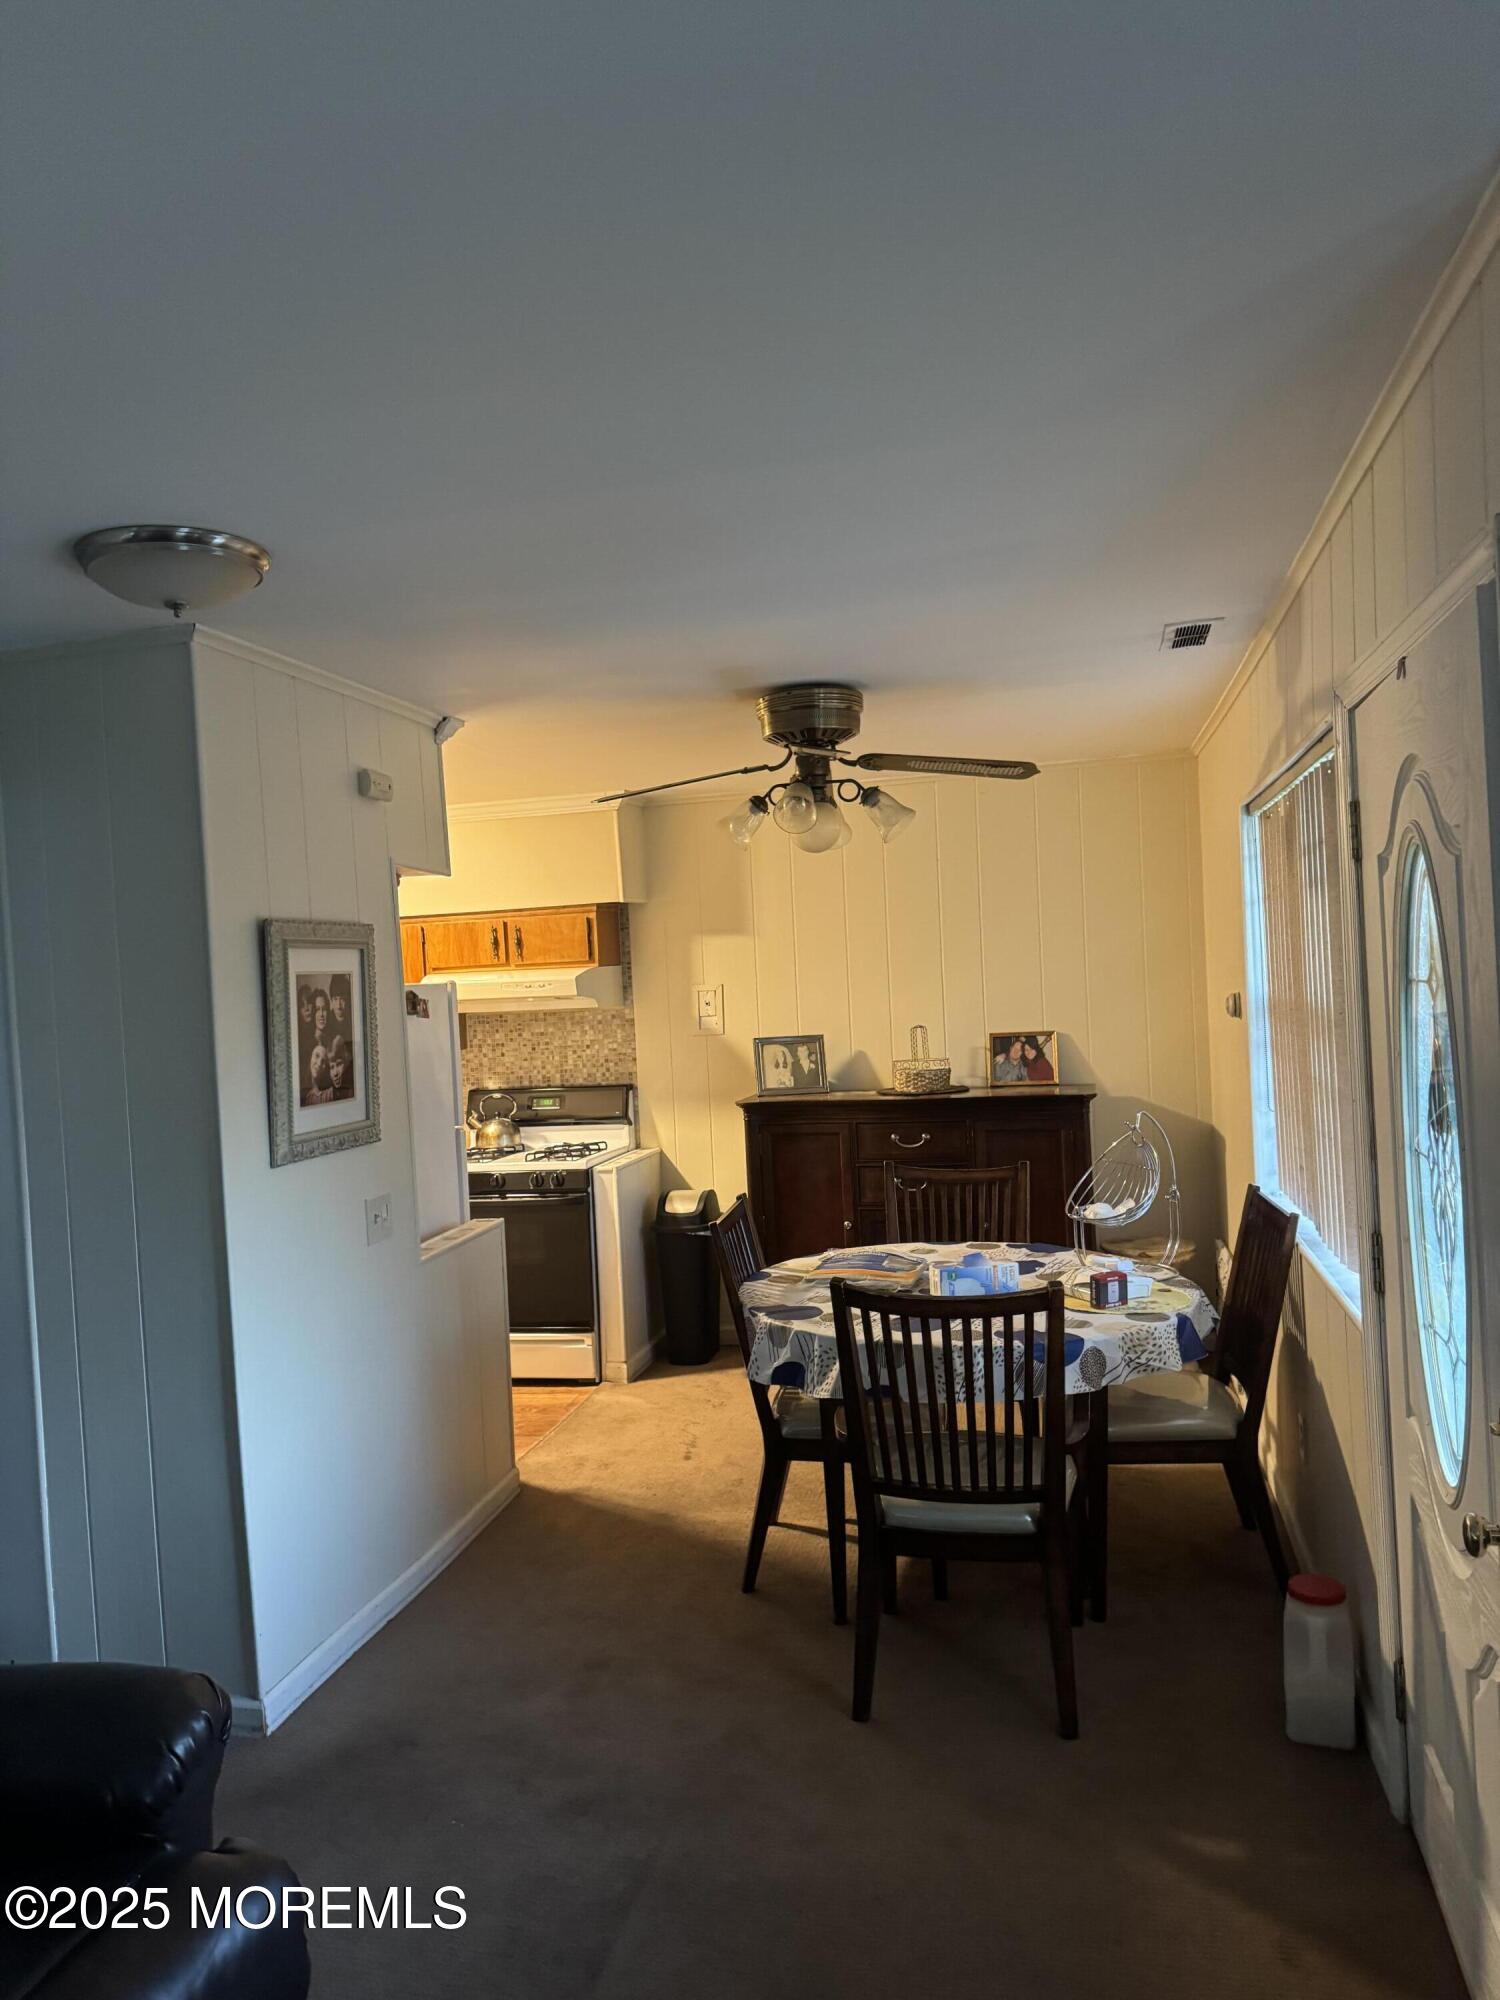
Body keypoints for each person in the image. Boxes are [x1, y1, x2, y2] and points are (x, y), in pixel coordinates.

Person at [328, 1034, 354, 1100]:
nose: (335, 1073)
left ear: (347, 1063)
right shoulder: (328, 1096)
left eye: (339, 1064)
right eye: (331, 1067)